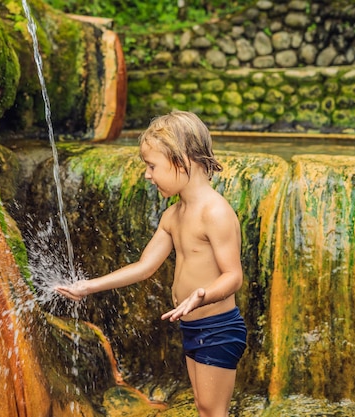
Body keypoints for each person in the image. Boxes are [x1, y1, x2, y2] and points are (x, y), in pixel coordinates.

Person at [55, 110, 246, 417]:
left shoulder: (215, 213)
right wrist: (88, 286)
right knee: (203, 407)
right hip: (193, 326)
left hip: (218, 328)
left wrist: (202, 296)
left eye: (152, 165)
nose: (147, 174)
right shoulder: (173, 215)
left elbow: (233, 276)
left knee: (213, 410)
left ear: (181, 160)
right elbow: (144, 266)